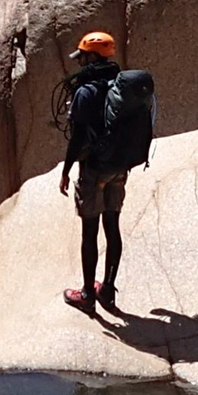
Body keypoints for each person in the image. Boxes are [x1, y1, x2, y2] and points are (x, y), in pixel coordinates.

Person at [57, 30, 129, 316]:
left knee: (90, 231)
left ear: (92, 56)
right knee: (112, 227)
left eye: (83, 56)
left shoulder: (86, 92)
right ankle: (107, 291)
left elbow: (77, 138)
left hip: (93, 169)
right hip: (119, 168)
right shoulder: (120, 86)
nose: (80, 62)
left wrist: (66, 170)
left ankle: (87, 294)